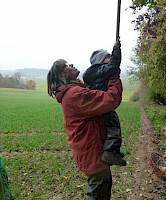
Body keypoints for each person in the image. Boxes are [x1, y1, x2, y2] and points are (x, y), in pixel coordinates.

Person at [47, 58, 123, 199]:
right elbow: (111, 99)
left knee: (102, 190)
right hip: (93, 153)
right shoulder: (75, 94)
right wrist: (113, 75)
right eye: (66, 65)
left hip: (91, 150)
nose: (72, 64)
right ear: (63, 75)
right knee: (98, 192)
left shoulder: (75, 91)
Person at [82, 38, 126, 166]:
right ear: (100, 61)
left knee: (109, 127)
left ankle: (113, 151)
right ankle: (110, 152)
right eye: (108, 56)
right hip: (103, 103)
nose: (111, 58)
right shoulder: (99, 70)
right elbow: (113, 66)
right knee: (113, 126)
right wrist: (117, 49)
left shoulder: (94, 72)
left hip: (100, 102)